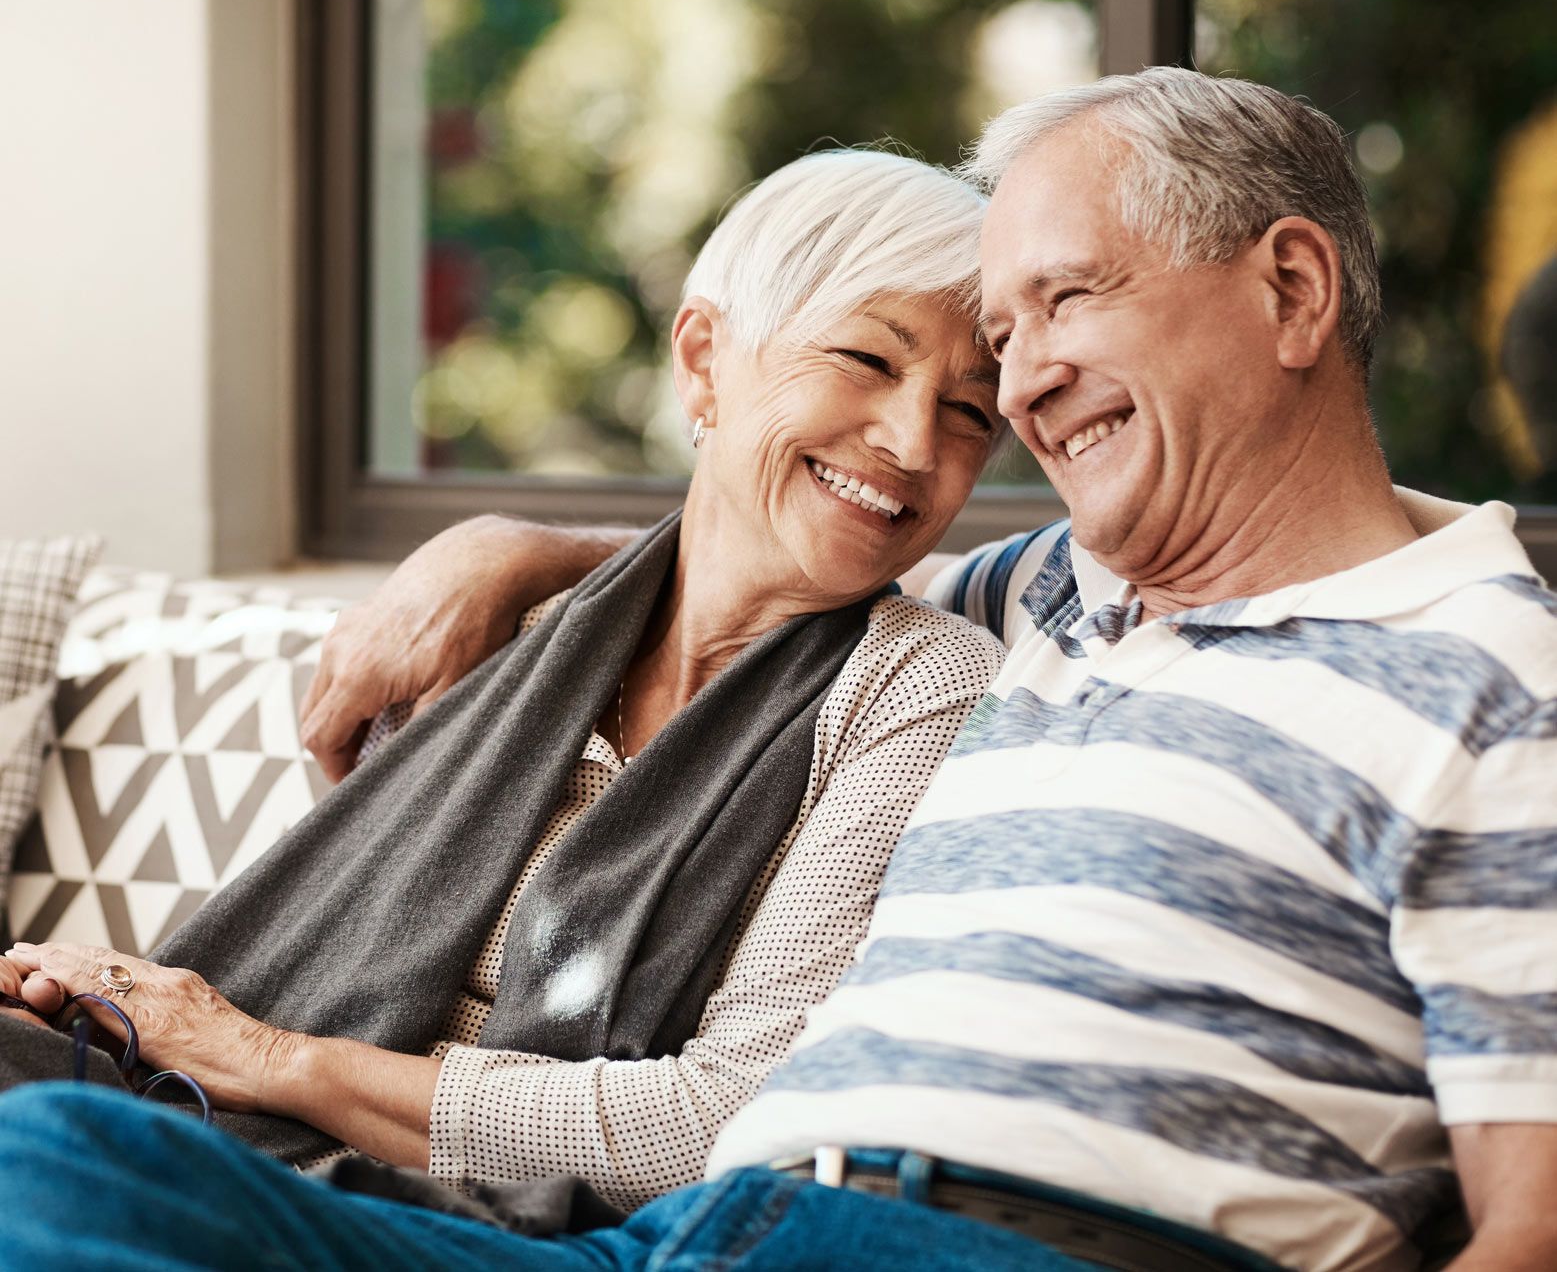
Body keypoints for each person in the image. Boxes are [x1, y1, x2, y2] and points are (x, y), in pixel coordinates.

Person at [4, 67, 1556, 1272]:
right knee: (60, 1163)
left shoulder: (1490, 684)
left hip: (1006, 1242)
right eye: (999, 335)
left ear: (1291, 291)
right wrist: (513, 547)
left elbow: (1532, 1225)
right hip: (694, 1240)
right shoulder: (1057, 594)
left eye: (1062, 300)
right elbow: (777, 542)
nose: (1017, 387)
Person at [0, 148, 1006, 1210]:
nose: (910, 440)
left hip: (453, 1209)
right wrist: (92, 1011)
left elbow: (721, 1122)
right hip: (225, 1132)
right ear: (705, 360)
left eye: (972, 413)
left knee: (53, 1169)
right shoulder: (502, 628)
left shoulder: (919, 689)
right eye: (867, 359)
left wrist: (252, 1050)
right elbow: (321, 967)